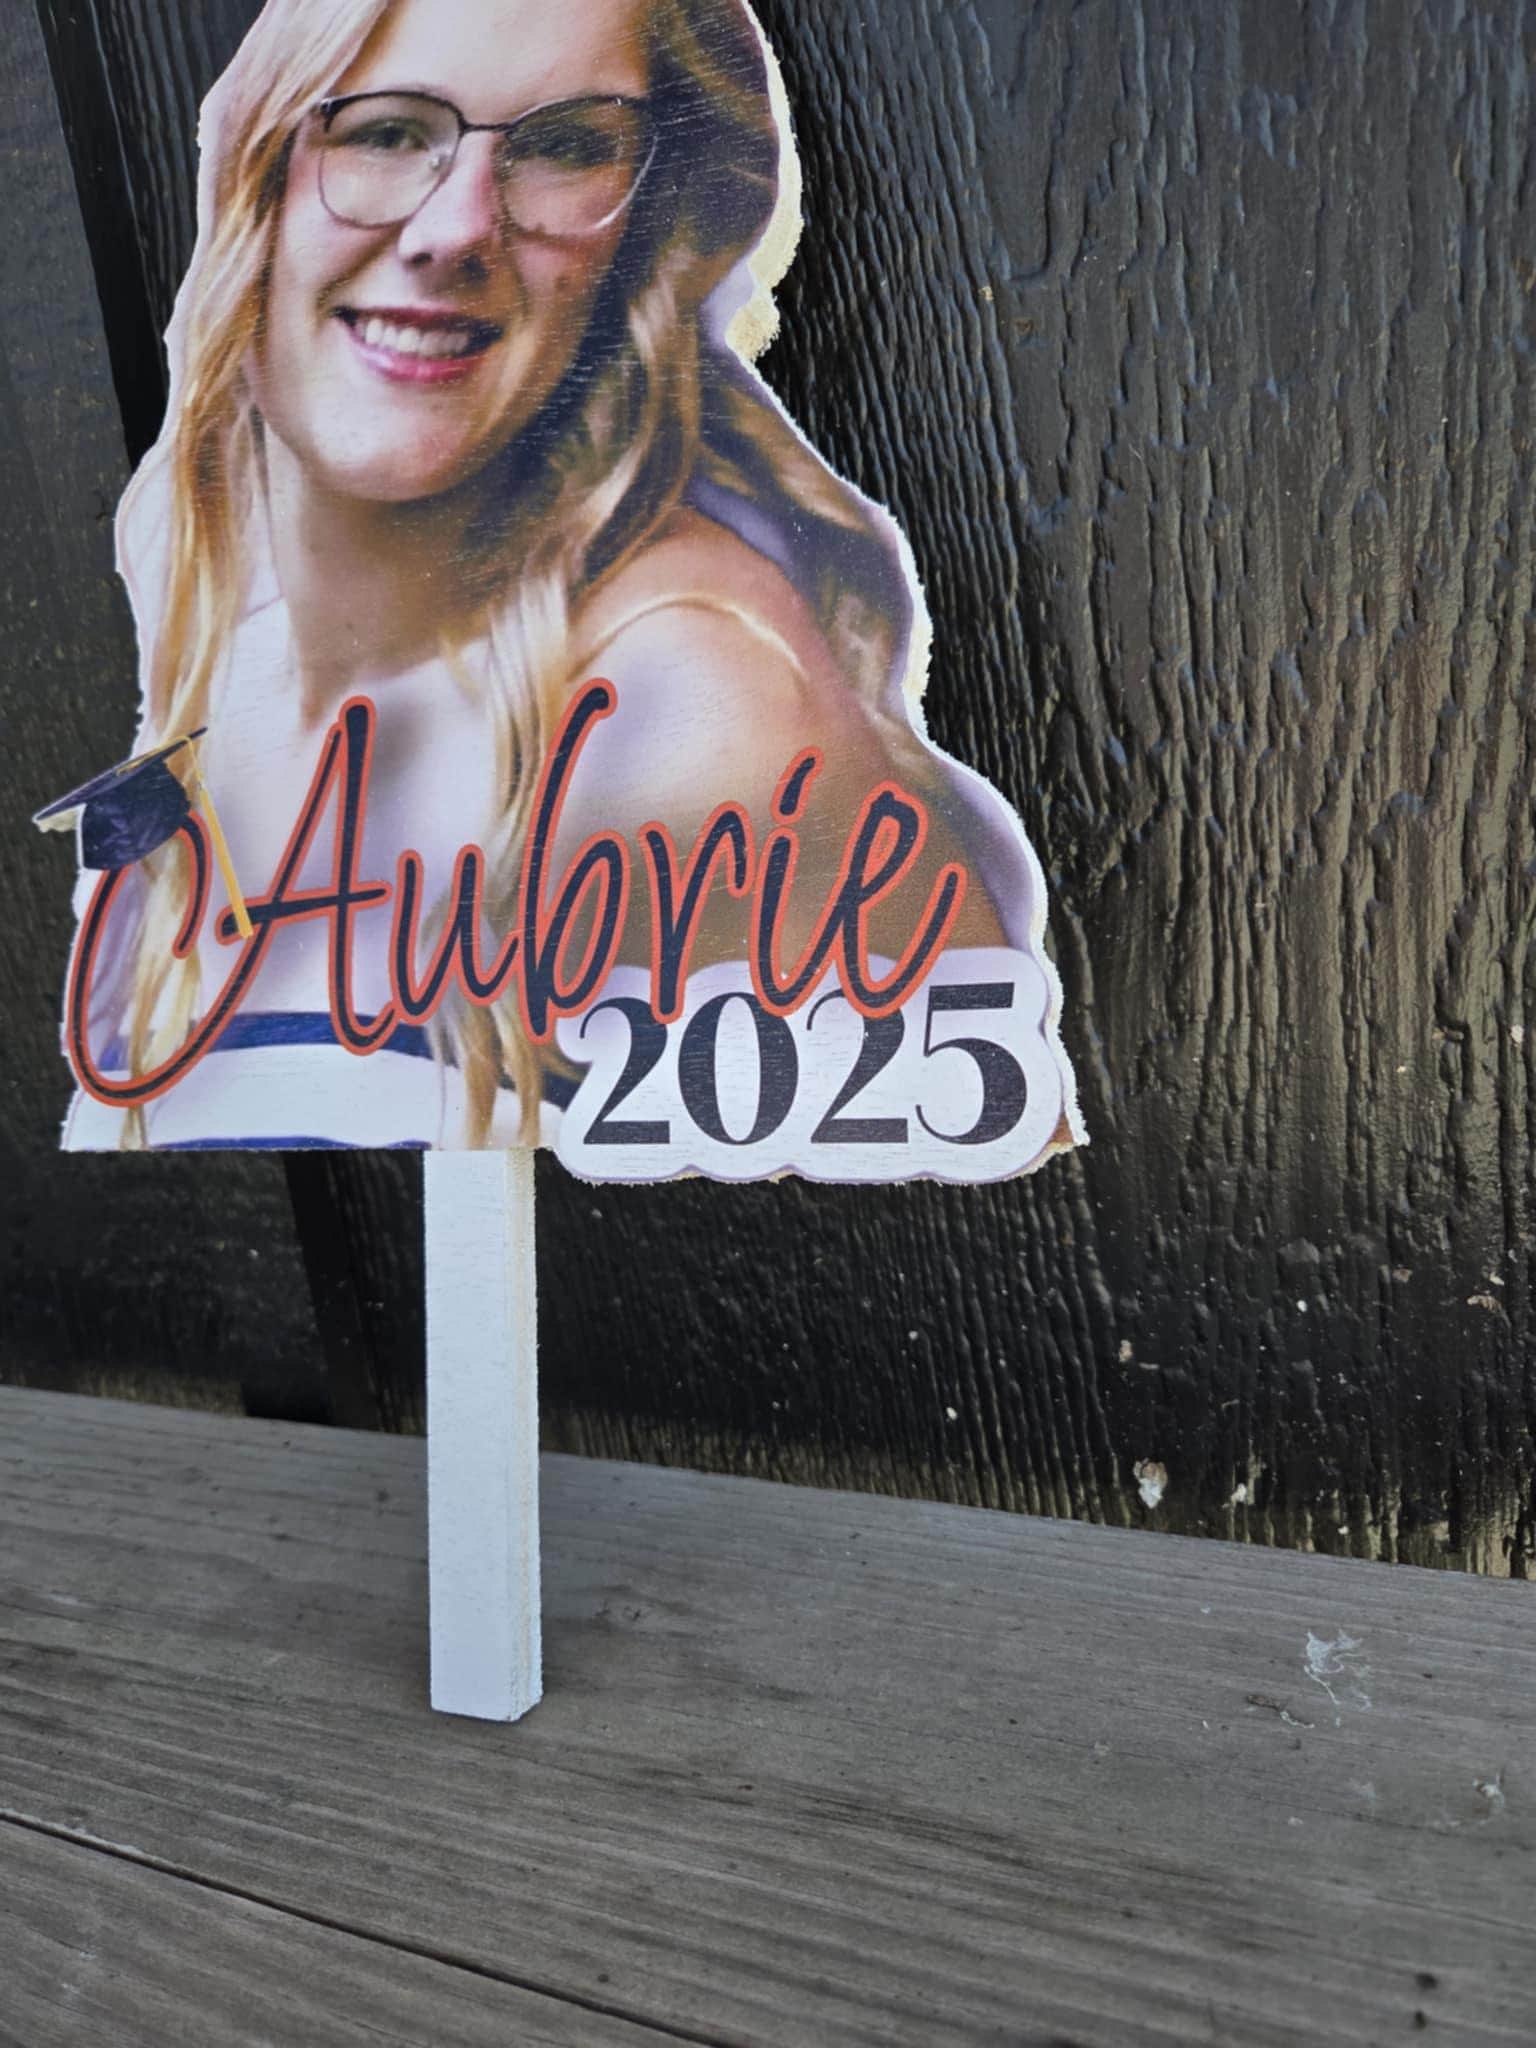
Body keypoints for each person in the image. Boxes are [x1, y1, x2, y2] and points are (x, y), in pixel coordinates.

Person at [64, 0, 1064, 1157]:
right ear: (261, 176)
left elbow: (963, 1207)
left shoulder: (688, 701)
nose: (455, 229)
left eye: (564, 147)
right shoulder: (219, 631)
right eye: (386, 133)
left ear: (643, 237)